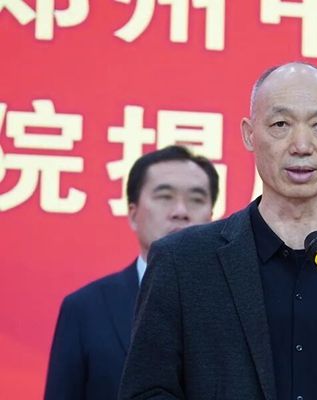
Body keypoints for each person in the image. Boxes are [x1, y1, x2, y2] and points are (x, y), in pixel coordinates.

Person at [119, 62, 317, 400]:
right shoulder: (183, 262)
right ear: (249, 134)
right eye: (280, 124)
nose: (301, 145)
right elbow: (147, 391)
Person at [44, 145, 220, 400]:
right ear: (133, 214)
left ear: (212, 217)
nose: (181, 211)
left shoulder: (235, 302)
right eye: (164, 196)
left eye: (196, 199)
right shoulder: (85, 308)